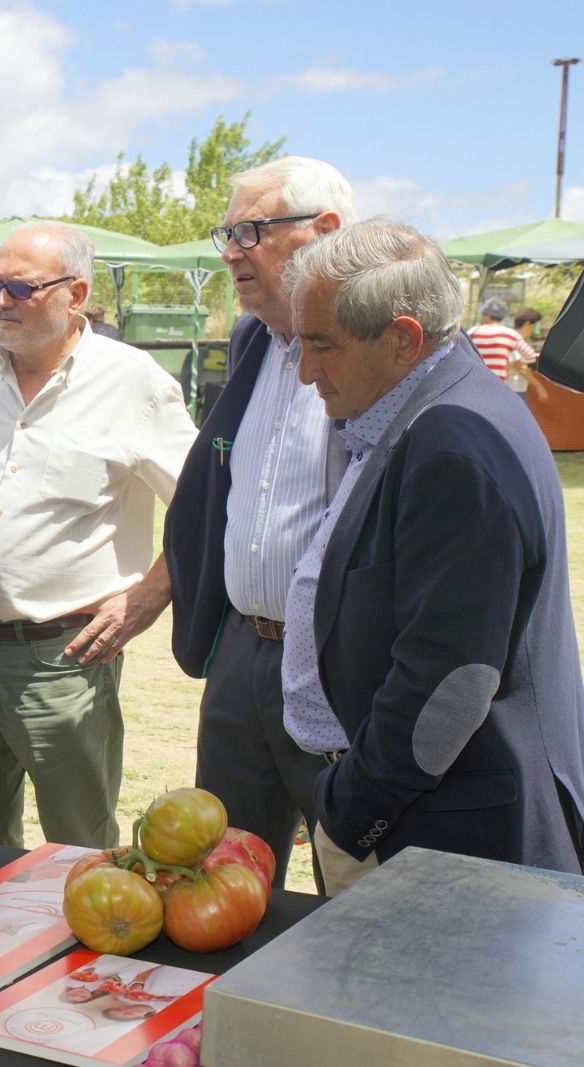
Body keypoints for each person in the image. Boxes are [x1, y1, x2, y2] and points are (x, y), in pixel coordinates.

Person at [281, 217, 584, 894]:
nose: (305, 372)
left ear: (403, 340)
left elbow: (447, 682)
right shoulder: (438, 407)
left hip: (455, 838)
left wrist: (348, 814)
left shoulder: (449, 443)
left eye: (322, 345)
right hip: (438, 819)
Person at [0, 223, 196, 849]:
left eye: (21, 288)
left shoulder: (134, 384)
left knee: (80, 854)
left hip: (66, 660)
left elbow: (203, 506)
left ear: (76, 293)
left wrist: (149, 595)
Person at [162, 156, 354, 890]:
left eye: (250, 230)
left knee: (352, 877)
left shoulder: (378, 356)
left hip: (335, 663)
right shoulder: (250, 342)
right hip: (243, 653)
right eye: (227, 232)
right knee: (226, 873)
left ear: (326, 231)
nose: (231, 251)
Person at [467, 297, 542, 394]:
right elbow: (530, 356)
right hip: (499, 386)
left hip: (476, 384)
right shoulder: (510, 334)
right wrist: (510, 364)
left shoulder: (473, 332)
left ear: (486, 315)